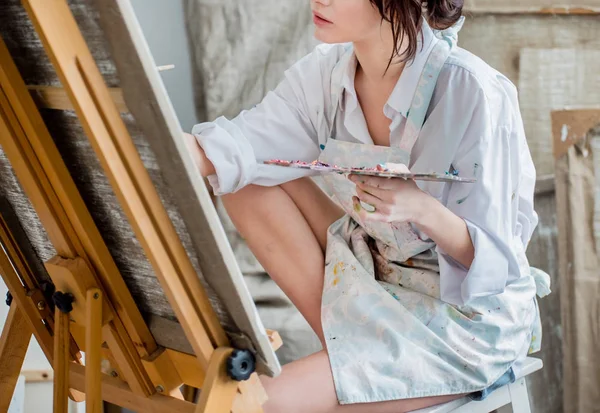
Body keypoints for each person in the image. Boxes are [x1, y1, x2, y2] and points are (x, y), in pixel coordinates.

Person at [184, 0, 550, 412]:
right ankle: (346, 350)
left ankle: (355, 366)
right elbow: (233, 148)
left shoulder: (471, 90)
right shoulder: (324, 75)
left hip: (462, 321)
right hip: (374, 280)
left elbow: (498, 265)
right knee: (243, 178)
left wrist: (422, 208)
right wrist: (129, 144)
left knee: (263, 405)